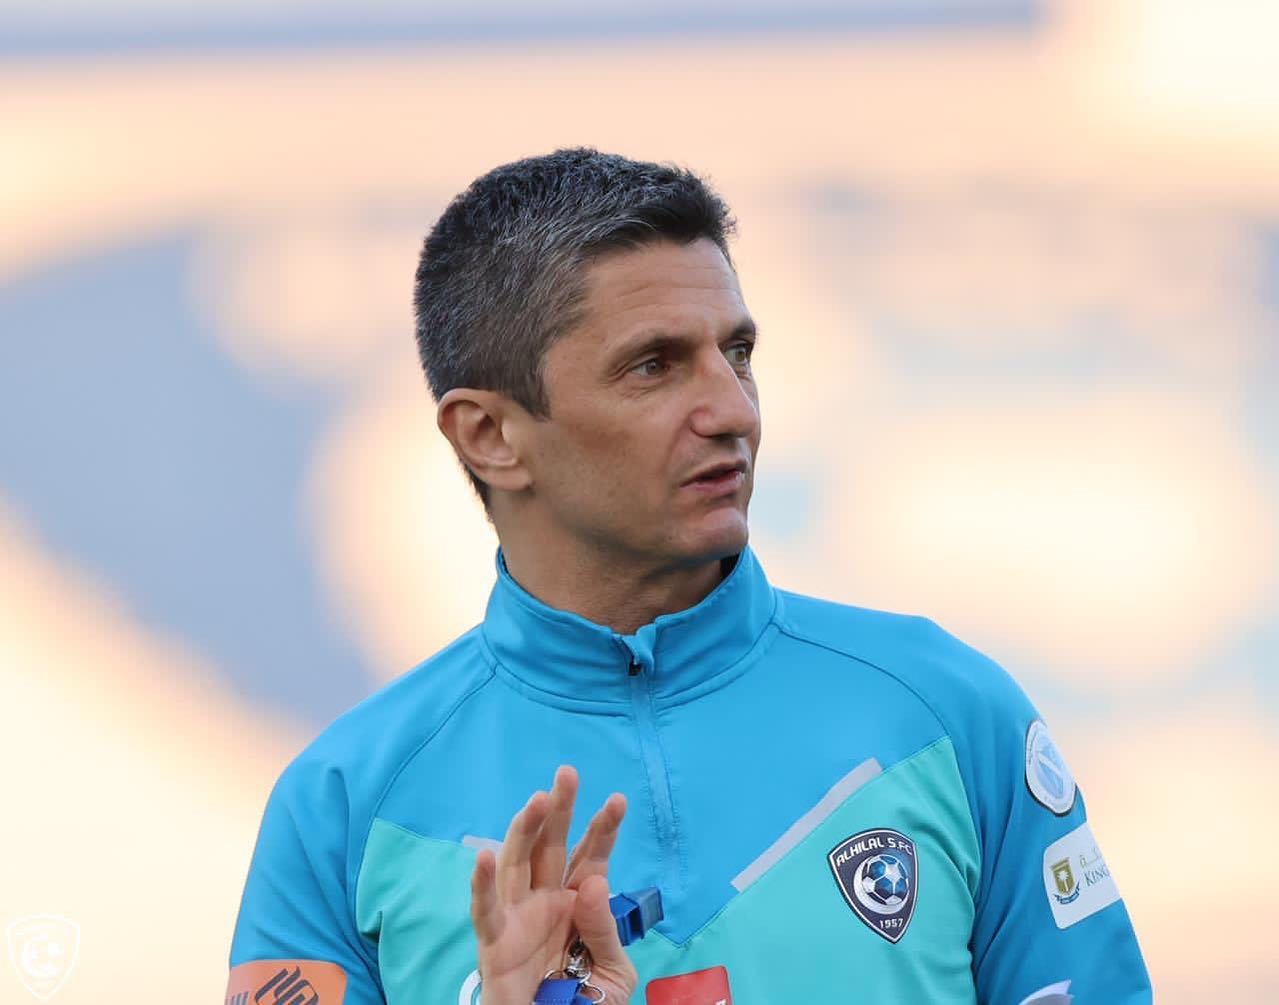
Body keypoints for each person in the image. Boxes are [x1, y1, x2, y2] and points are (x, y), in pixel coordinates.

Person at [226, 148, 1152, 1005]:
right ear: (491, 435)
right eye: (653, 366)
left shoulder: (946, 710)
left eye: (736, 353)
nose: (731, 410)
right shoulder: (342, 808)